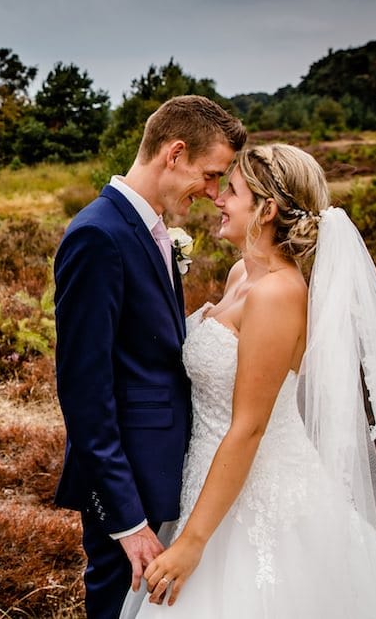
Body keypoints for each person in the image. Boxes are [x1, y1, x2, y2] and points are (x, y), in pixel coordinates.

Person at [128, 143, 376, 618]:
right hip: (207, 479)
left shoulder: (278, 295)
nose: (218, 199)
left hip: (259, 493)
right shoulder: (239, 277)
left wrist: (192, 542)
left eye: (231, 191)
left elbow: (249, 427)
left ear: (266, 210)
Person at [53, 95, 247, 618]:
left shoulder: (150, 228)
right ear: (175, 153)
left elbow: (145, 352)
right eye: (210, 175)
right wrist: (127, 521)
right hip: (128, 488)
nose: (212, 193)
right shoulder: (99, 235)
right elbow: (83, 391)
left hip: (167, 470)